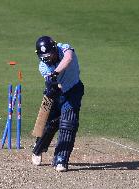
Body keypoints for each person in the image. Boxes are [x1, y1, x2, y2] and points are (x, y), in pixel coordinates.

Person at [32, 36, 84, 172]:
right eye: (45, 57)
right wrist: (51, 82)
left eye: (49, 55)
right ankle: (38, 148)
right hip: (55, 92)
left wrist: (55, 73)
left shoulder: (64, 48)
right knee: (50, 124)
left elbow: (68, 59)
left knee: (68, 123)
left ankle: (61, 159)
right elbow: (55, 85)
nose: (48, 59)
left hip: (73, 89)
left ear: (55, 48)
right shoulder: (43, 67)